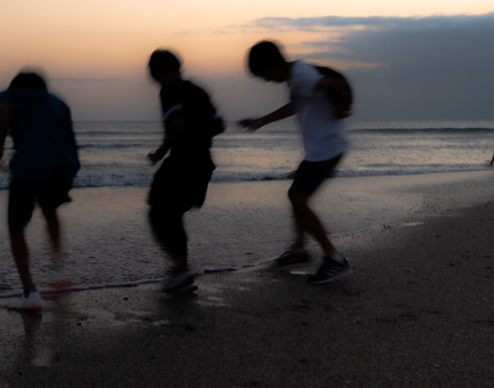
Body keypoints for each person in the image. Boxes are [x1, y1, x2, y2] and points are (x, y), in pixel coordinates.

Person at [240, 40, 352, 285]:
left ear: (272, 65)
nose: (266, 80)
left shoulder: (300, 75)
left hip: (327, 148)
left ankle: (334, 259)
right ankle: (300, 249)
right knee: (295, 195)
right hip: (319, 149)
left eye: (263, 75)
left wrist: (343, 109)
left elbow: (336, 84)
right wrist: (262, 121)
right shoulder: (296, 76)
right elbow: (296, 104)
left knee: (298, 199)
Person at [0, 70, 80, 311]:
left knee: (16, 227)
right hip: (58, 170)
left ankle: (30, 292)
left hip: (28, 170)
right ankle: (58, 267)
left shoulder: (11, 96)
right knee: (50, 211)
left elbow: (4, 111)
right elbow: (69, 139)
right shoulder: (57, 102)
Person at [146, 49, 224, 292]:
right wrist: (199, 135)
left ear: (155, 72)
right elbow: (219, 125)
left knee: (157, 212)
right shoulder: (198, 90)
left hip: (183, 161)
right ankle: (181, 271)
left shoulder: (168, 90)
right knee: (173, 214)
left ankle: (180, 270)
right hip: (203, 162)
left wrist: (160, 153)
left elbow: (177, 125)